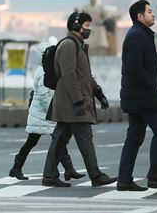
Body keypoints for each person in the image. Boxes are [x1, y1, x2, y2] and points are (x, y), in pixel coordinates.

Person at [41, 11, 116, 188]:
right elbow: (69, 75)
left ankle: (49, 175)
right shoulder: (68, 45)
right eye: (87, 25)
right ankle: (96, 176)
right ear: (76, 26)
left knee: (59, 140)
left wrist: (98, 93)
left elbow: (85, 76)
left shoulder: (78, 45)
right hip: (71, 103)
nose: (89, 29)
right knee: (84, 138)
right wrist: (78, 101)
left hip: (71, 102)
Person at [117, 0, 157, 192]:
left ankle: (125, 180)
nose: (154, 14)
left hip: (137, 96)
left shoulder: (141, 34)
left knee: (134, 136)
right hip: (142, 96)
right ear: (139, 16)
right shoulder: (136, 35)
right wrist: (152, 87)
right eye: (149, 11)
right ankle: (155, 177)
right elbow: (134, 67)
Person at [8, 37, 84, 181]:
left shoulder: (45, 69)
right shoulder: (43, 71)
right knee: (47, 140)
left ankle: (69, 170)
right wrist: (53, 110)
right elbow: (43, 96)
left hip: (43, 114)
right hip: (43, 114)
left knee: (50, 140)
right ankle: (16, 168)